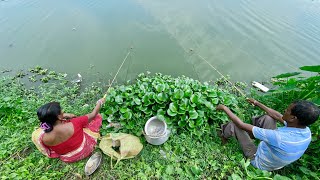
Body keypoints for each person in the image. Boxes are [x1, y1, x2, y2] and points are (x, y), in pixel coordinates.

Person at [216, 99, 320, 171]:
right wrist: (256, 103)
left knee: (235, 125)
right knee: (268, 118)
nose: (285, 110)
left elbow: (241, 124)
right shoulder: (305, 130)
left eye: (288, 110)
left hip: (259, 161)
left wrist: (225, 108)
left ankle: (223, 137)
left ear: (293, 118)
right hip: (274, 157)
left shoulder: (278, 137)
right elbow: (277, 115)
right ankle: (252, 135)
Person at [32, 98, 105, 163]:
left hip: (68, 158)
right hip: (84, 150)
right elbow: (93, 114)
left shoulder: (42, 136)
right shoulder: (75, 123)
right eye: (61, 111)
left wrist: (63, 116)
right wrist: (99, 102)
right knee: (96, 118)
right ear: (58, 117)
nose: (63, 111)